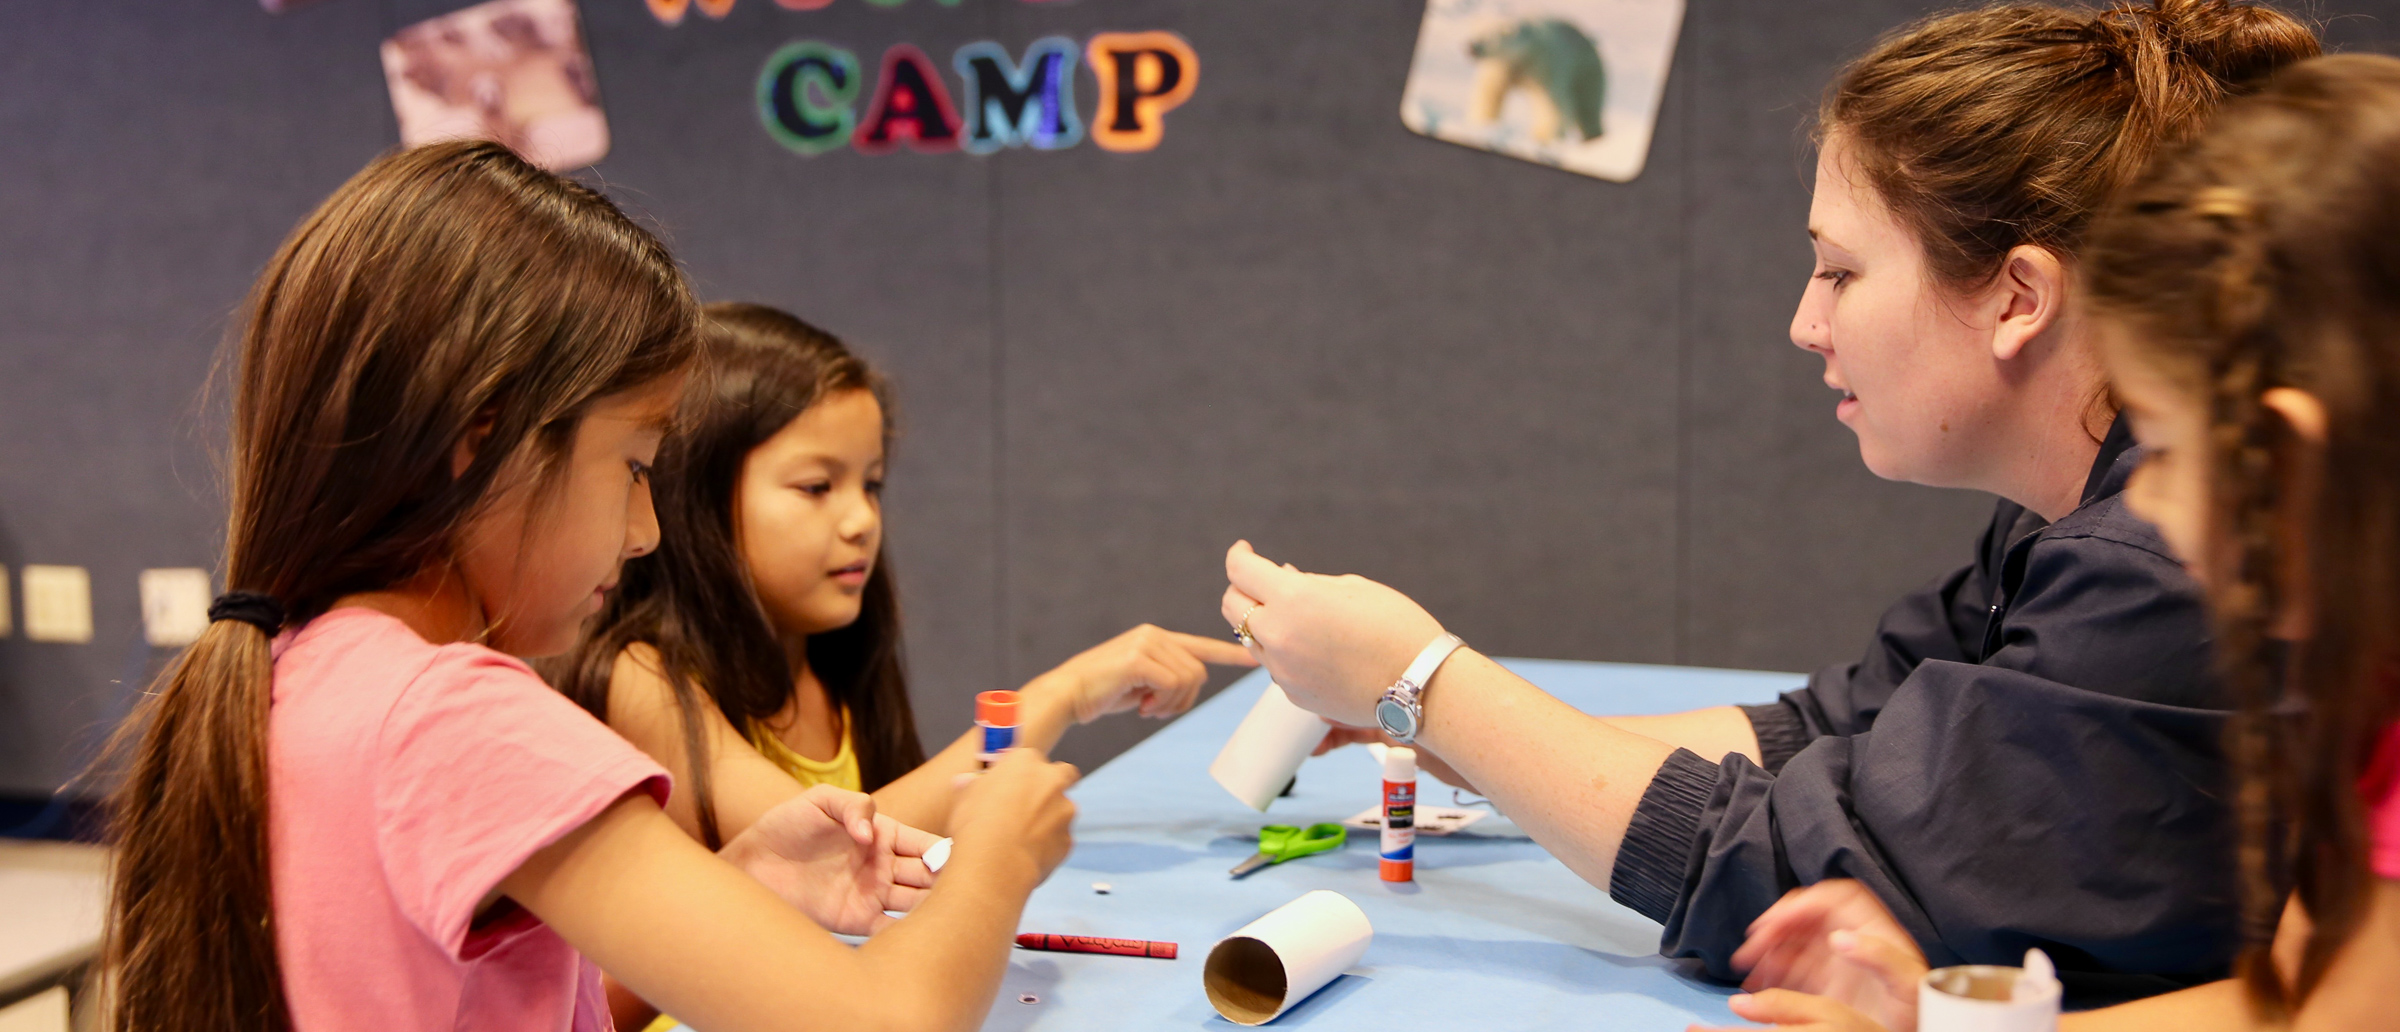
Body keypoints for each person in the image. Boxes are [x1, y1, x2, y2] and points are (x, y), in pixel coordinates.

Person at [1224, 0, 2318, 1004]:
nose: (1806, 324)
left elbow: (1800, 876)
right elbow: (1828, 734)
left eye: (1840, 273)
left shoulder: (2161, 565)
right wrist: (1439, 725)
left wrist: (1427, 680)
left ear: (2019, 297)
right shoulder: (2068, 514)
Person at [100, 140, 1078, 1032]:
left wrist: (737, 887)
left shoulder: (302, 665)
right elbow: (886, 1020)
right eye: (636, 467)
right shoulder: (463, 716)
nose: (648, 532)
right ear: (482, 447)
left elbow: (498, 1003)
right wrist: (997, 852)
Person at [1701, 52, 2400, 1032]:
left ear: (2281, 457)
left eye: (2163, 443)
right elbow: (2306, 1007)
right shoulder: (2364, 692)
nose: (2142, 496)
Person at [551, 303, 1253, 850]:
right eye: (817, 487)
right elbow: (831, 846)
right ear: (693, 495)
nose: (861, 520)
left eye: (873, 485)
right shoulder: (642, 677)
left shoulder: (833, 666)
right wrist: (1059, 697)